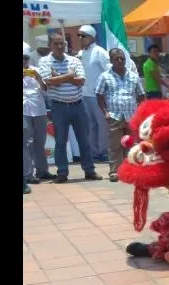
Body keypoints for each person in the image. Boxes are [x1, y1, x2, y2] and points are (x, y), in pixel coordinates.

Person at [37, 32, 102, 183]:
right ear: (50, 46)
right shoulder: (45, 61)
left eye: (63, 43)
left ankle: (89, 170)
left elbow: (81, 81)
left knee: (84, 140)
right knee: (60, 141)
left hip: (78, 105)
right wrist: (68, 75)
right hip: (58, 107)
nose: (60, 46)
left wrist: (59, 76)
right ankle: (62, 173)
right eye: (56, 44)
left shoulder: (74, 60)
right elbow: (48, 82)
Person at [96, 49, 145, 182]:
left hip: (131, 115)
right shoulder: (105, 76)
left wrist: (141, 112)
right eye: (116, 58)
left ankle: (132, 170)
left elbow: (141, 95)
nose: (120, 61)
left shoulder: (133, 76)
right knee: (115, 145)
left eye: (122, 58)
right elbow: (99, 95)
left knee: (132, 144)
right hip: (114, 115)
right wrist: (105, 112)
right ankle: (115, 172)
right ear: (111, 60)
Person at [77, 25, 110, 162]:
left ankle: (104, 151)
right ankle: (94, 152)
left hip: (98, 95)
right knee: (90, 125)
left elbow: (109, 70)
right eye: (78, 35)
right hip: (84, 94)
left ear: (91, 37)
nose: (79, 38)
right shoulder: (81, 53)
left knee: (102, 125)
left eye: (82, 35)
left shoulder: (100, 52)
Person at [24, 44, 52, 193]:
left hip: (39, 110)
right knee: (26, 143)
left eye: (26, 58)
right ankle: (28, 174)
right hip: (24, 111)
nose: (24, 62)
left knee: (40, 141)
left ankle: (42, 170)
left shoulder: (36, 71)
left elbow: (47, 90)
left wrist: (39, 78)